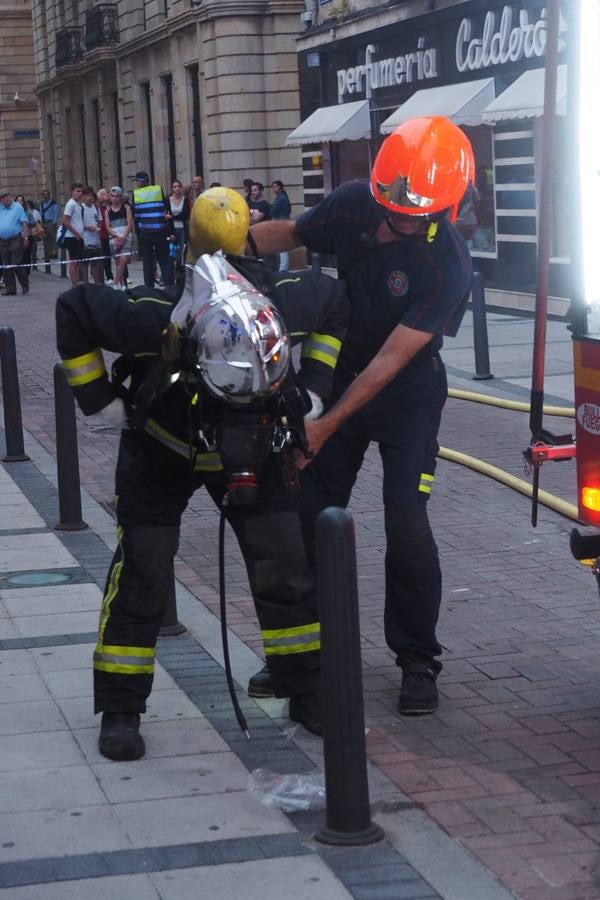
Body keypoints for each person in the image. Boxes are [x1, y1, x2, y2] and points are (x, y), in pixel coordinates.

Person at [55, 186, 348, 761]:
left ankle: (306, 688)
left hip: (256, 448)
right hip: (164, 445)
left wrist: (312, 392)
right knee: (144, 568)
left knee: (285, 565)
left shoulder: (283, 299)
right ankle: (120, 707)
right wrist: (102, 402)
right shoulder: (154, 317)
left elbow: (336, 305)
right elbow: (74, 309)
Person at [248, 116, 474, 716]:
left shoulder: (449, 264)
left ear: (440, 210)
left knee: (406, 521)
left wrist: (325, 425)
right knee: (308, 513)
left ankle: (418, 659)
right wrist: (226, 243)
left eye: (410, 211)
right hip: (343, 375)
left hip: (406, 394)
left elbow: (392, 362)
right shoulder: (352, 205)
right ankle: (301, 655)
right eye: (389, 201)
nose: (392, 217)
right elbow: (290, 233)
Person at [131, 171, 173, 288]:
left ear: (140, 181)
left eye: (137, 181)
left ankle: (149, 289)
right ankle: (170, 286)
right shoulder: (158, 189)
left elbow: (136, 216)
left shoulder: (136, 194)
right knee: (164, 260)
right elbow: (165, 208)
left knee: (148, 263)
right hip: (160, 231)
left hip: (145, 233)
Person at [0, 188, 29, 296]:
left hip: (15, 238)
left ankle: (25, 285)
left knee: (15, 263)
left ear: (9, 196)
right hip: (2, 240)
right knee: (6, 265)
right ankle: (10, 288)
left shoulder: (17, 207)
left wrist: (25, 238)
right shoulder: (0, 208)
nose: (5, 199)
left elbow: (24, 223)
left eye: (6, 196)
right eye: (2, 198)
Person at [104, 186, 133, 290]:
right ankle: (122, 284)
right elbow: (108, 226)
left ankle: (115, 282)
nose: (115, 198)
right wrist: (115, 236)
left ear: (120, 197)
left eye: (117, 196)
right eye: (113, 196)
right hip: (114, 237)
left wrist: (123, 237)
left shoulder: (126, 208)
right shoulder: (107, 211)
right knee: (117, 261)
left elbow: (130, 224)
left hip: (125, 236)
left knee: (124, 259)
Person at [62, 182, 86, 287]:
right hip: (72, 237)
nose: (80, 193)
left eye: (81, 191)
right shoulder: (70, 204)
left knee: (79, 261)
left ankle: (81, 283)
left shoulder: (78, 205)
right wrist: (75, 233)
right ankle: (74, 285)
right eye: (78, 191)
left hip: (79, 236)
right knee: (74, 261)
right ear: (72, 192)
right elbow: (65, 220)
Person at [165, 178, 190, 269]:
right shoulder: (168, 200)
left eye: (179, 186)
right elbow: (167, 216)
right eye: (175, 187)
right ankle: (173, 270)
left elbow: (185, 215)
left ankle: (181, 269)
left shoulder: (185, 200)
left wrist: (172, 217)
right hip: (172, 228)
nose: (177, 188)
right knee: (173, 250)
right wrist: (171, 232)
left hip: (183, 228)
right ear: (172, 189)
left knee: (182, 249)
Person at [81, 187, 102, 284]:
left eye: (91, 195)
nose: (89, 198)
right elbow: (79, 225)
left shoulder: (96, 208)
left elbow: (99, 221)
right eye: (87, 195)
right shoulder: (81, 208)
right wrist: (88, 228)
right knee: (85, 263)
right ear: (83, 197)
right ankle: (86, 283)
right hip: (85, 239)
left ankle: (96, 283)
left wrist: (98, 227)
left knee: (95, 263)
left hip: (95, 239)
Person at [270, 180, 292, 271]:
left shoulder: (281, 198)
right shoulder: (280, 197)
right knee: (282, 248)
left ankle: (283, 268)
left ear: (280, 187)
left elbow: (273, 211)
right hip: (281, 224)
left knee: (282, 249)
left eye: (275, 187)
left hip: (281, 224)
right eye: (273, 187)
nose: (273, 189)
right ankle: (283, 267)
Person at [96, 188, 114, 284]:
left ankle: (125, 277)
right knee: (106, 256)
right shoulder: (98, 208)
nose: (106, 195)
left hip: (114, 233)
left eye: (106, 193)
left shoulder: (112, 206)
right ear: (99, 197)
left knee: (119, 255)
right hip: (103, 235)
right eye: (103, 194)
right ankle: (109, 276)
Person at [40, 188, 59, 261]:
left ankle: (55, 253)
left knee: (53, 238)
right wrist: (41, 223)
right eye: (44, 195)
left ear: (49, 195)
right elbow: (41, 213)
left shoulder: (53, 203)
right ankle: (48, 253)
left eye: (46, 194)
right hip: (44, 223)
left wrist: (54, 222)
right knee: (46, 239)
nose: (45, 196)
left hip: (51, 222)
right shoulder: (42, 204)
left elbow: (56, 213)